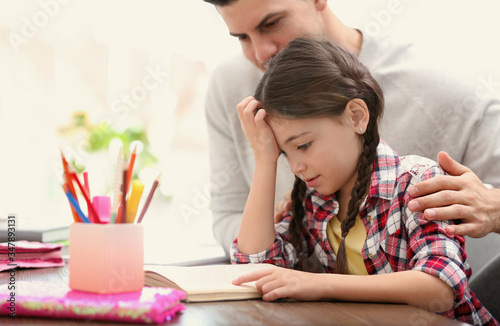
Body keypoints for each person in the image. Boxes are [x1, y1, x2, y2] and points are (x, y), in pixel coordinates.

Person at [230, 36, 497, 325]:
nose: (295, 167)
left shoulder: (416, 182)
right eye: (284, 153)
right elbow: (254, 268)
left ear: (356, 116)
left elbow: (441, 288)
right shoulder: (312, 201)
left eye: (304, 145)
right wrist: (263, 161)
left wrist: (317, 285)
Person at [202, 0, 500, 257]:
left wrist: (493, 207)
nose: (261, 53)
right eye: (242, 37)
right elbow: (228, 213)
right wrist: (283, 243)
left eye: (271, 23)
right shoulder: (230, 87)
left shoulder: (438, 90)